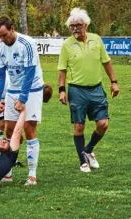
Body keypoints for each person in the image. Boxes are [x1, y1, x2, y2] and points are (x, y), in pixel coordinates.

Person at [57, 8, 120, 172]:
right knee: (79, 126)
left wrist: (114, 82)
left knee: (103, 124)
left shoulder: (96, 40)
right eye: (72, 26)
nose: (75, 29)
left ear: (85, 25)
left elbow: (106, 62)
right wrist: (62, 90)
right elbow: (62, 69)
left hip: (97, 89)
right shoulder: (67, 45)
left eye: (78, 25)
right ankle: (82, 162)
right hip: (77, 91)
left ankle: (89, 150)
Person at [0, 15, 44, 185]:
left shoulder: (27, 44)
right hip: (12, 90)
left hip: (32, 90)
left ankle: (32, 174)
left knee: (29, 129)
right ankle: (7, 172)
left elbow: (30, 72)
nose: (2, 39)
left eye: (4, 35)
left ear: (12, 29)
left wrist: (23, 98)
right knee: (9, 131)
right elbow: (0, 75)